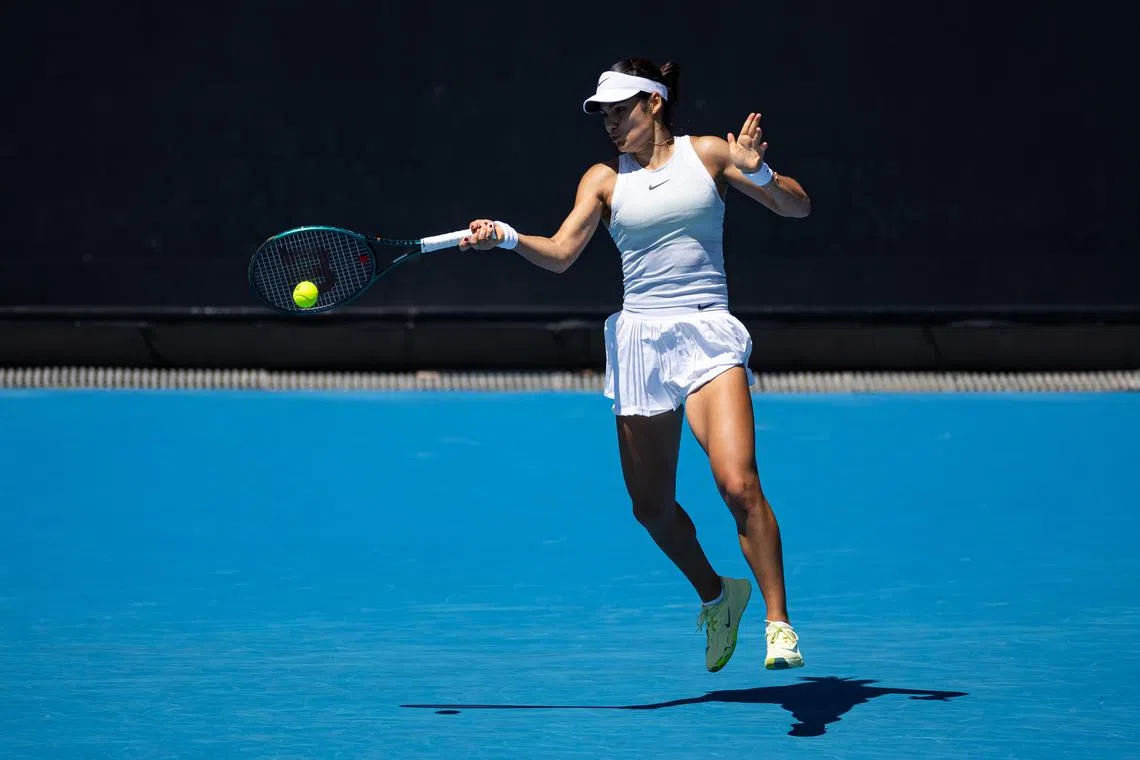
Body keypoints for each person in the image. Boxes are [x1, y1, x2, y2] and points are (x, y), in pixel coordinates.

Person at [460, 59, 811, 672]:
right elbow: (562, 252)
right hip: (639, 344)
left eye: (620, 109)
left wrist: (761, 172)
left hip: (706, 331)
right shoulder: (603, 180)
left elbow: (797, 208)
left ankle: (779, 625)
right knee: (651, 508)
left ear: (654, 102)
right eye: (603, 114)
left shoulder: (708, 155)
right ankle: (718, 595)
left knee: (737, 482)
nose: (611, 123)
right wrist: (510, 238)